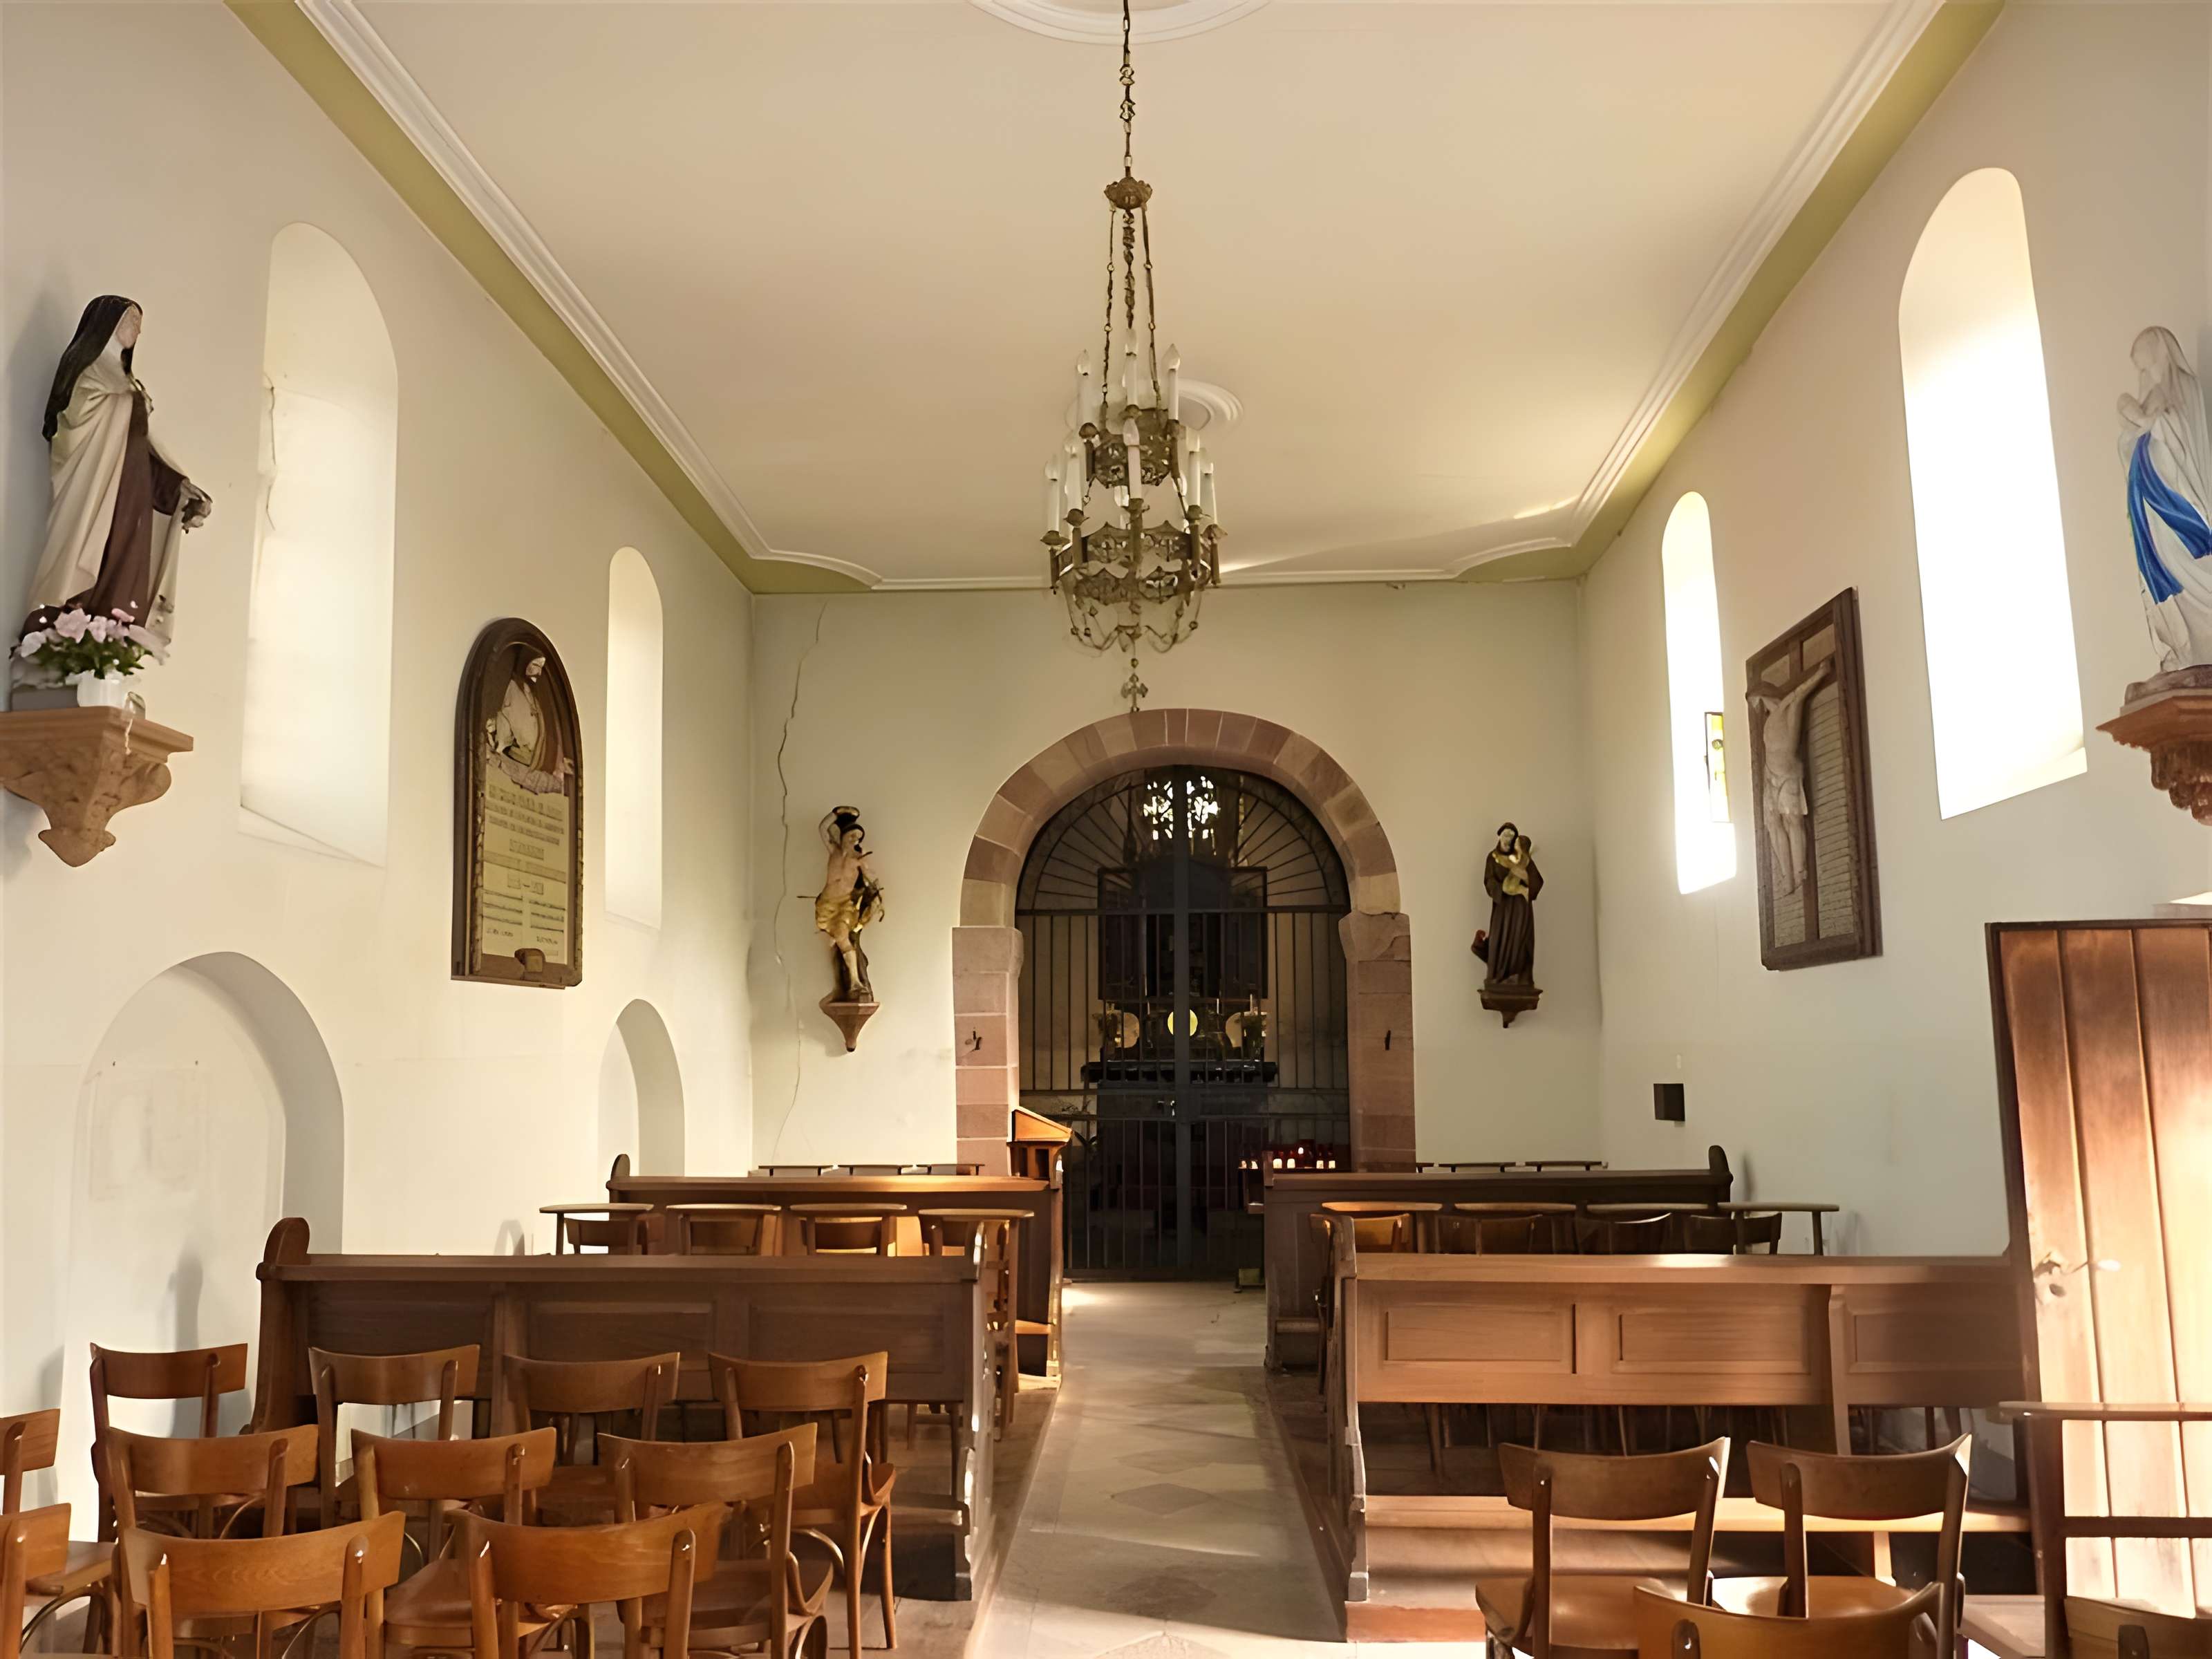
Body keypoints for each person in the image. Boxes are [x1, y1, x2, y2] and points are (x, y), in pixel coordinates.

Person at [20, 297, 212, 675]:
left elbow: (142, 448)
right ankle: (67, 628)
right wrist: (123, 401)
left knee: (125, 566)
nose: (138, 330)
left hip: (129, 494)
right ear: (108, 323)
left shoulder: (127, 383)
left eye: (140, 324)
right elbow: (70, 427)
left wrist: (177, 487)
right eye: (132, 320)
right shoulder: (89, 375)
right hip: (94, 488)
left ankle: (105, 640)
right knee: (85, 552)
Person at [2120, 326, 2212, 673]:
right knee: (2159, 561)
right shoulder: (2153, 394)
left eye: (2145, 361)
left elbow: (2185, 435)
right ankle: (2182, 643)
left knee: (2186, 557)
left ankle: (2201, 638)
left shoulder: (2183, 386)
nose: (2145, 371)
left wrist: (2155, 423)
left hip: (2176, 493)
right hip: (2148, 499)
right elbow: (2132, 439)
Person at [1750, 664, 1830, 894]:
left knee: (1793, 820)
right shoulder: (1768, 723)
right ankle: (1787, 875)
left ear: (1763, 696)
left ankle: (1799, 871)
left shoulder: (1789, 707)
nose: (1758, 708)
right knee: (1773, 824)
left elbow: (1802, 691)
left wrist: (1821, 673)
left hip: (1788, 774)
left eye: (1757, 702)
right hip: (1770, 777)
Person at [815, 807, 886, 1002]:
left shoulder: (859, 859)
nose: (854, 840)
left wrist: (878, 898)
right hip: (827, 904)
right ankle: (841, 983)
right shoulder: (834, 851)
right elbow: (823, 828)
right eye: (851, 836)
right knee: (832, 942)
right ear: (844, 836)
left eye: (858, 837)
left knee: (841, 933)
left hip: (844, 906)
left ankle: (856, 982)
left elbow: (872, 878)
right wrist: (836, 814)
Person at [1472, 822, 1543, 986]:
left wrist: (1523, 877)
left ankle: (1517, 976)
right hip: (1502, 906)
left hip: (1521, 907)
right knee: (1499, 938)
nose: (1508, 838)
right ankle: (1498, 976)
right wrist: (1502, 889)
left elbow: (1537, 882)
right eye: (1505, 834)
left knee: (1519, 938)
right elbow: (1489, 880)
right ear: (1500, 836)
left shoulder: (1522, 858)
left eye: (1511, 835)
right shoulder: (1492, 858)